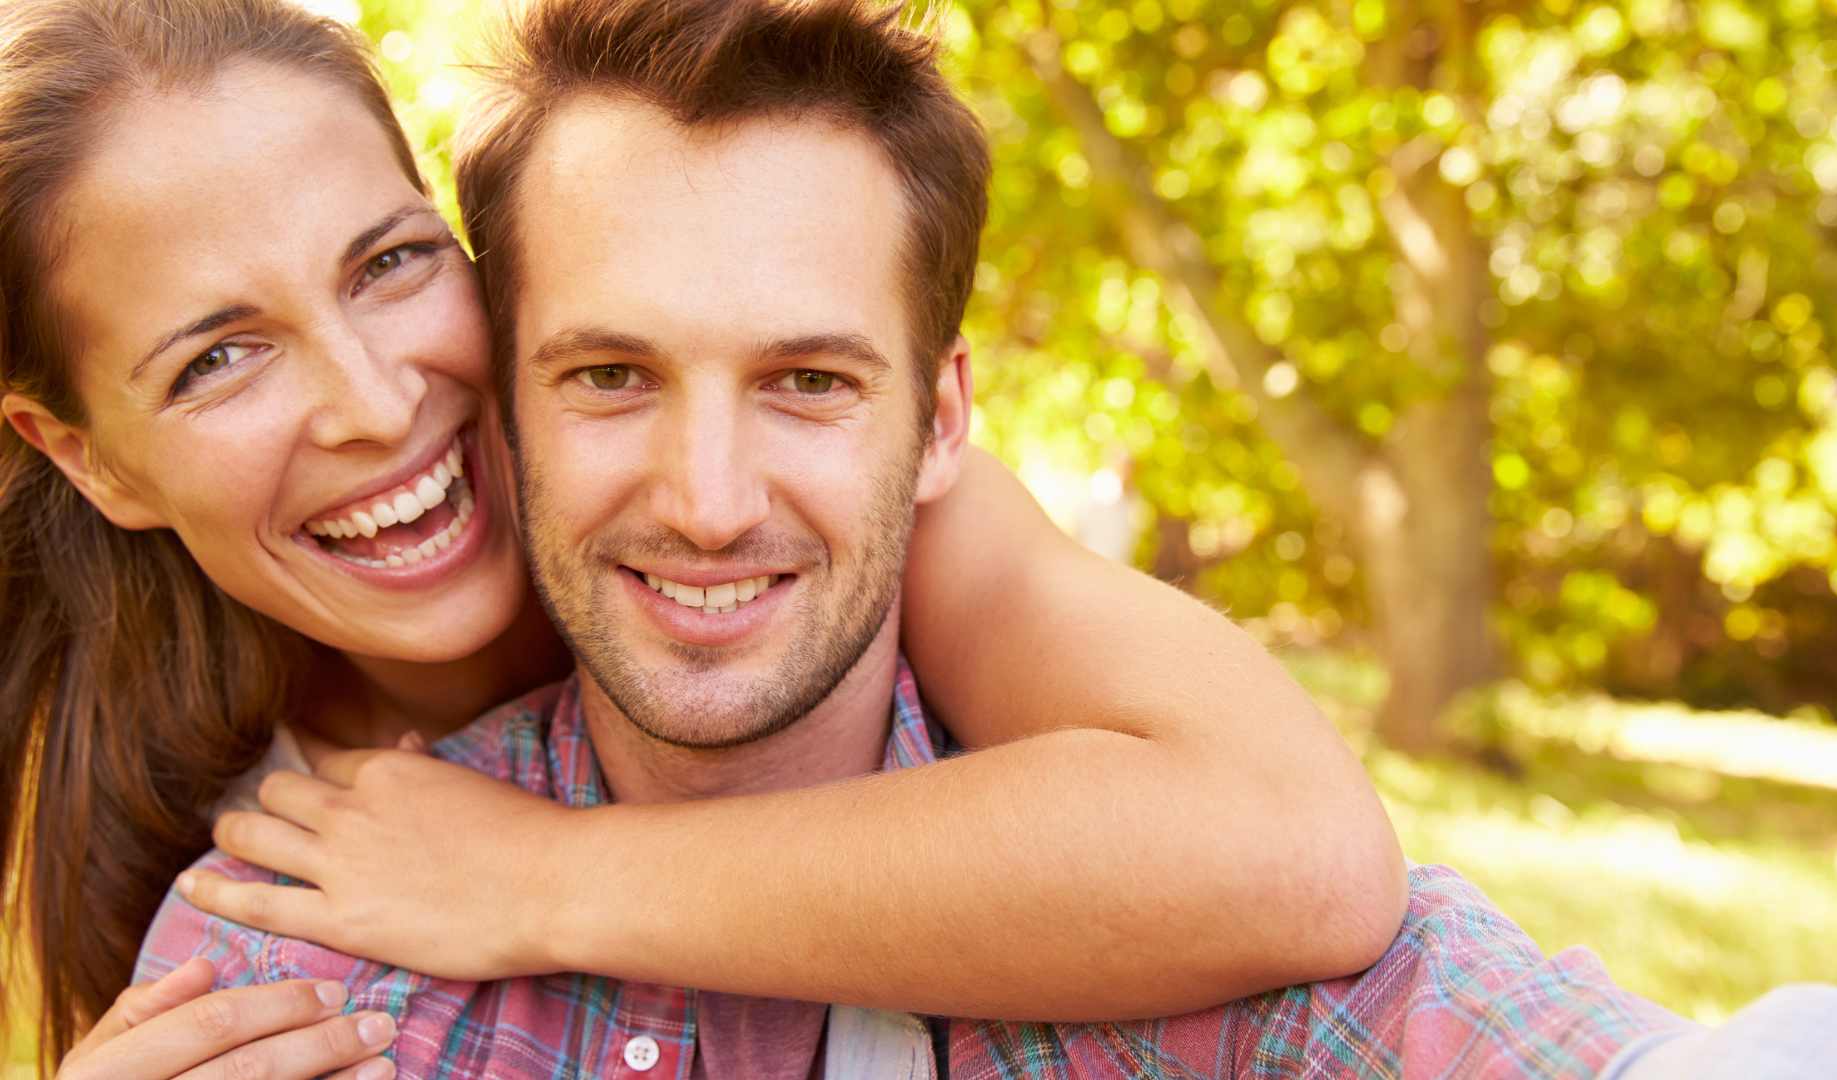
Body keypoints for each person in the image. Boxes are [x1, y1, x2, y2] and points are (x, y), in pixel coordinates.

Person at [135, 0, 1837, 1077]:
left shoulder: (1190, 946)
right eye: (608, 374)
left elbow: (1318, 879)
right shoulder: (301, 964)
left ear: (948, 422)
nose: (707, 492)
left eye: (813, 383)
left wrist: (538, 882)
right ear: (504, 409)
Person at [0, 1, 1408, 1077]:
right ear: (84, 454)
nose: (373, 407)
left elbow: (1295, 848)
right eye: (216, 361)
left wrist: (542, 881)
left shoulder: (820, 511)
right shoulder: (178, 822)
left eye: (389, 263)